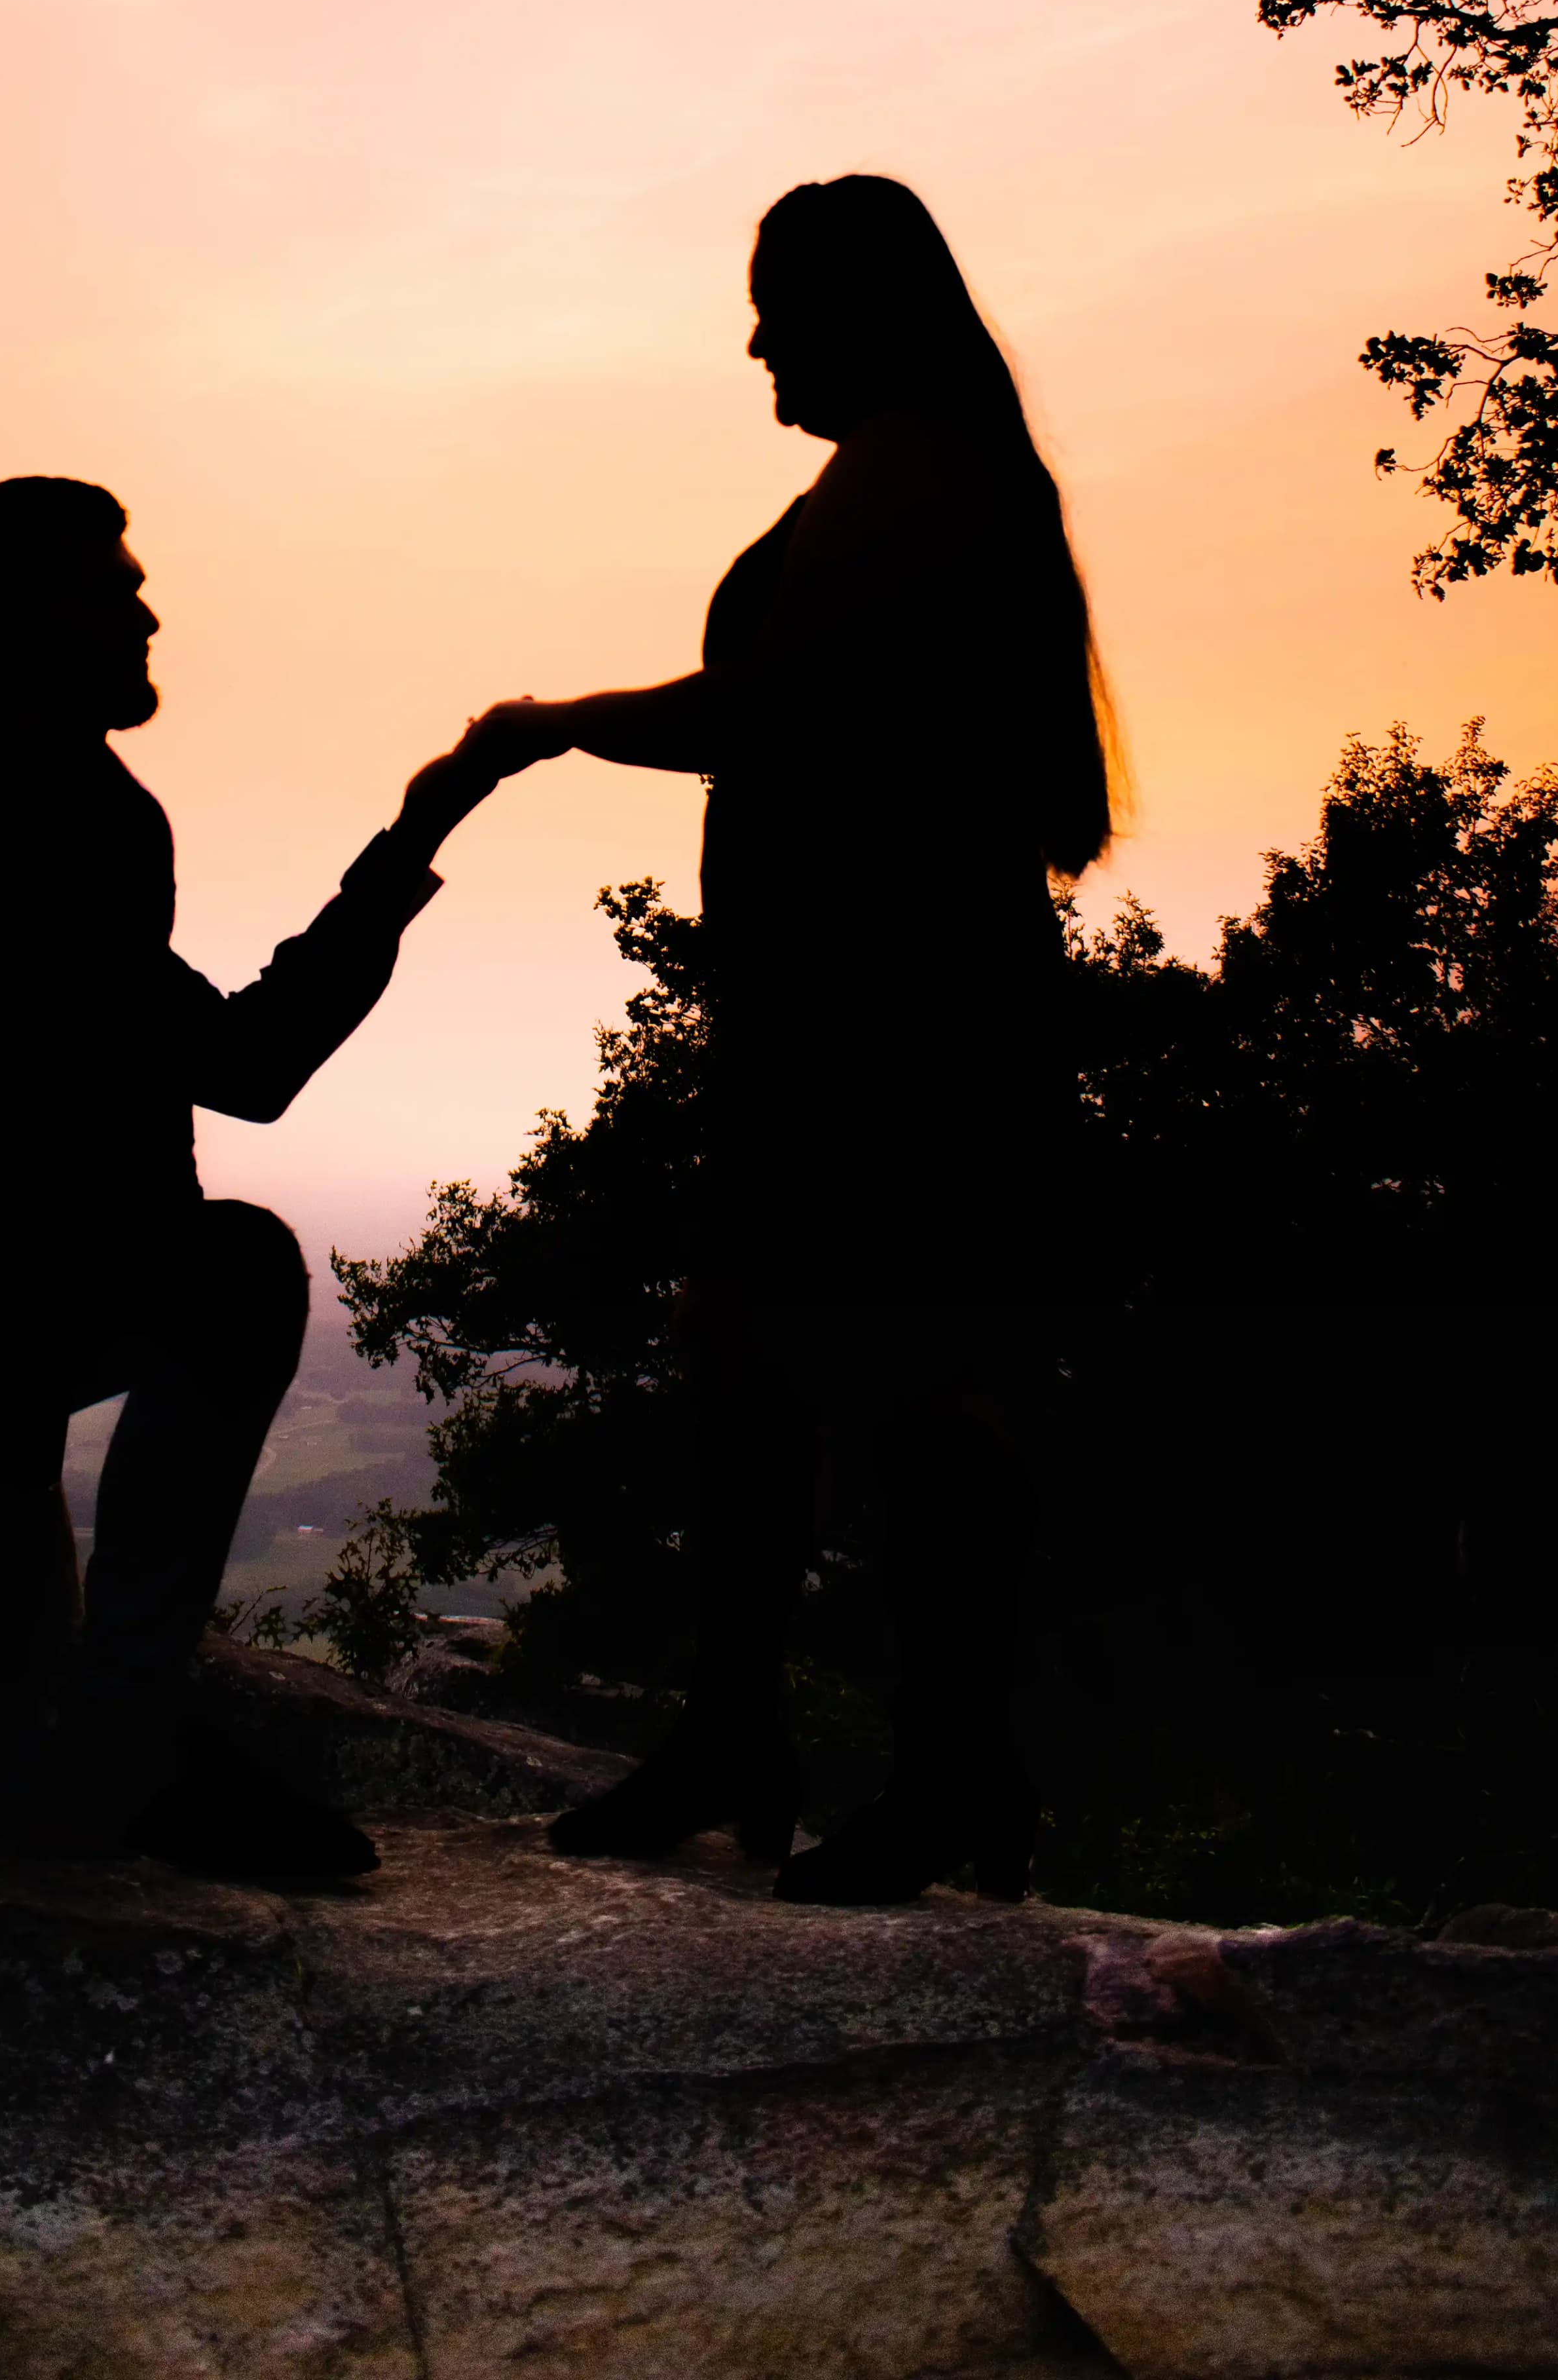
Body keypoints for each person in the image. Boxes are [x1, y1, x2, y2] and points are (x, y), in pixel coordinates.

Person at [464, 176, 1117, 1902]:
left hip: (902, 1012)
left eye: (776, 302)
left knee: (914, 1386)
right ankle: (742, 1738)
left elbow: (766, 712)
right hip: (847, 1004)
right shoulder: (903, 472)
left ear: (857, 309)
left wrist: (551, 728)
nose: (754, 338)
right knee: (761, 1366)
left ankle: (948, 1778)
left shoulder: (915, 472)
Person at [0, 472, 498, 1868]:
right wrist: (411, 846)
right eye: (110, 585)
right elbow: (248, 1068)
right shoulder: (28, 823)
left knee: (7, 1727)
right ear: (25, 620)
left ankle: (66, 1732)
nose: (146, 609)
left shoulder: (48, 802)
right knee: (238, 1273)